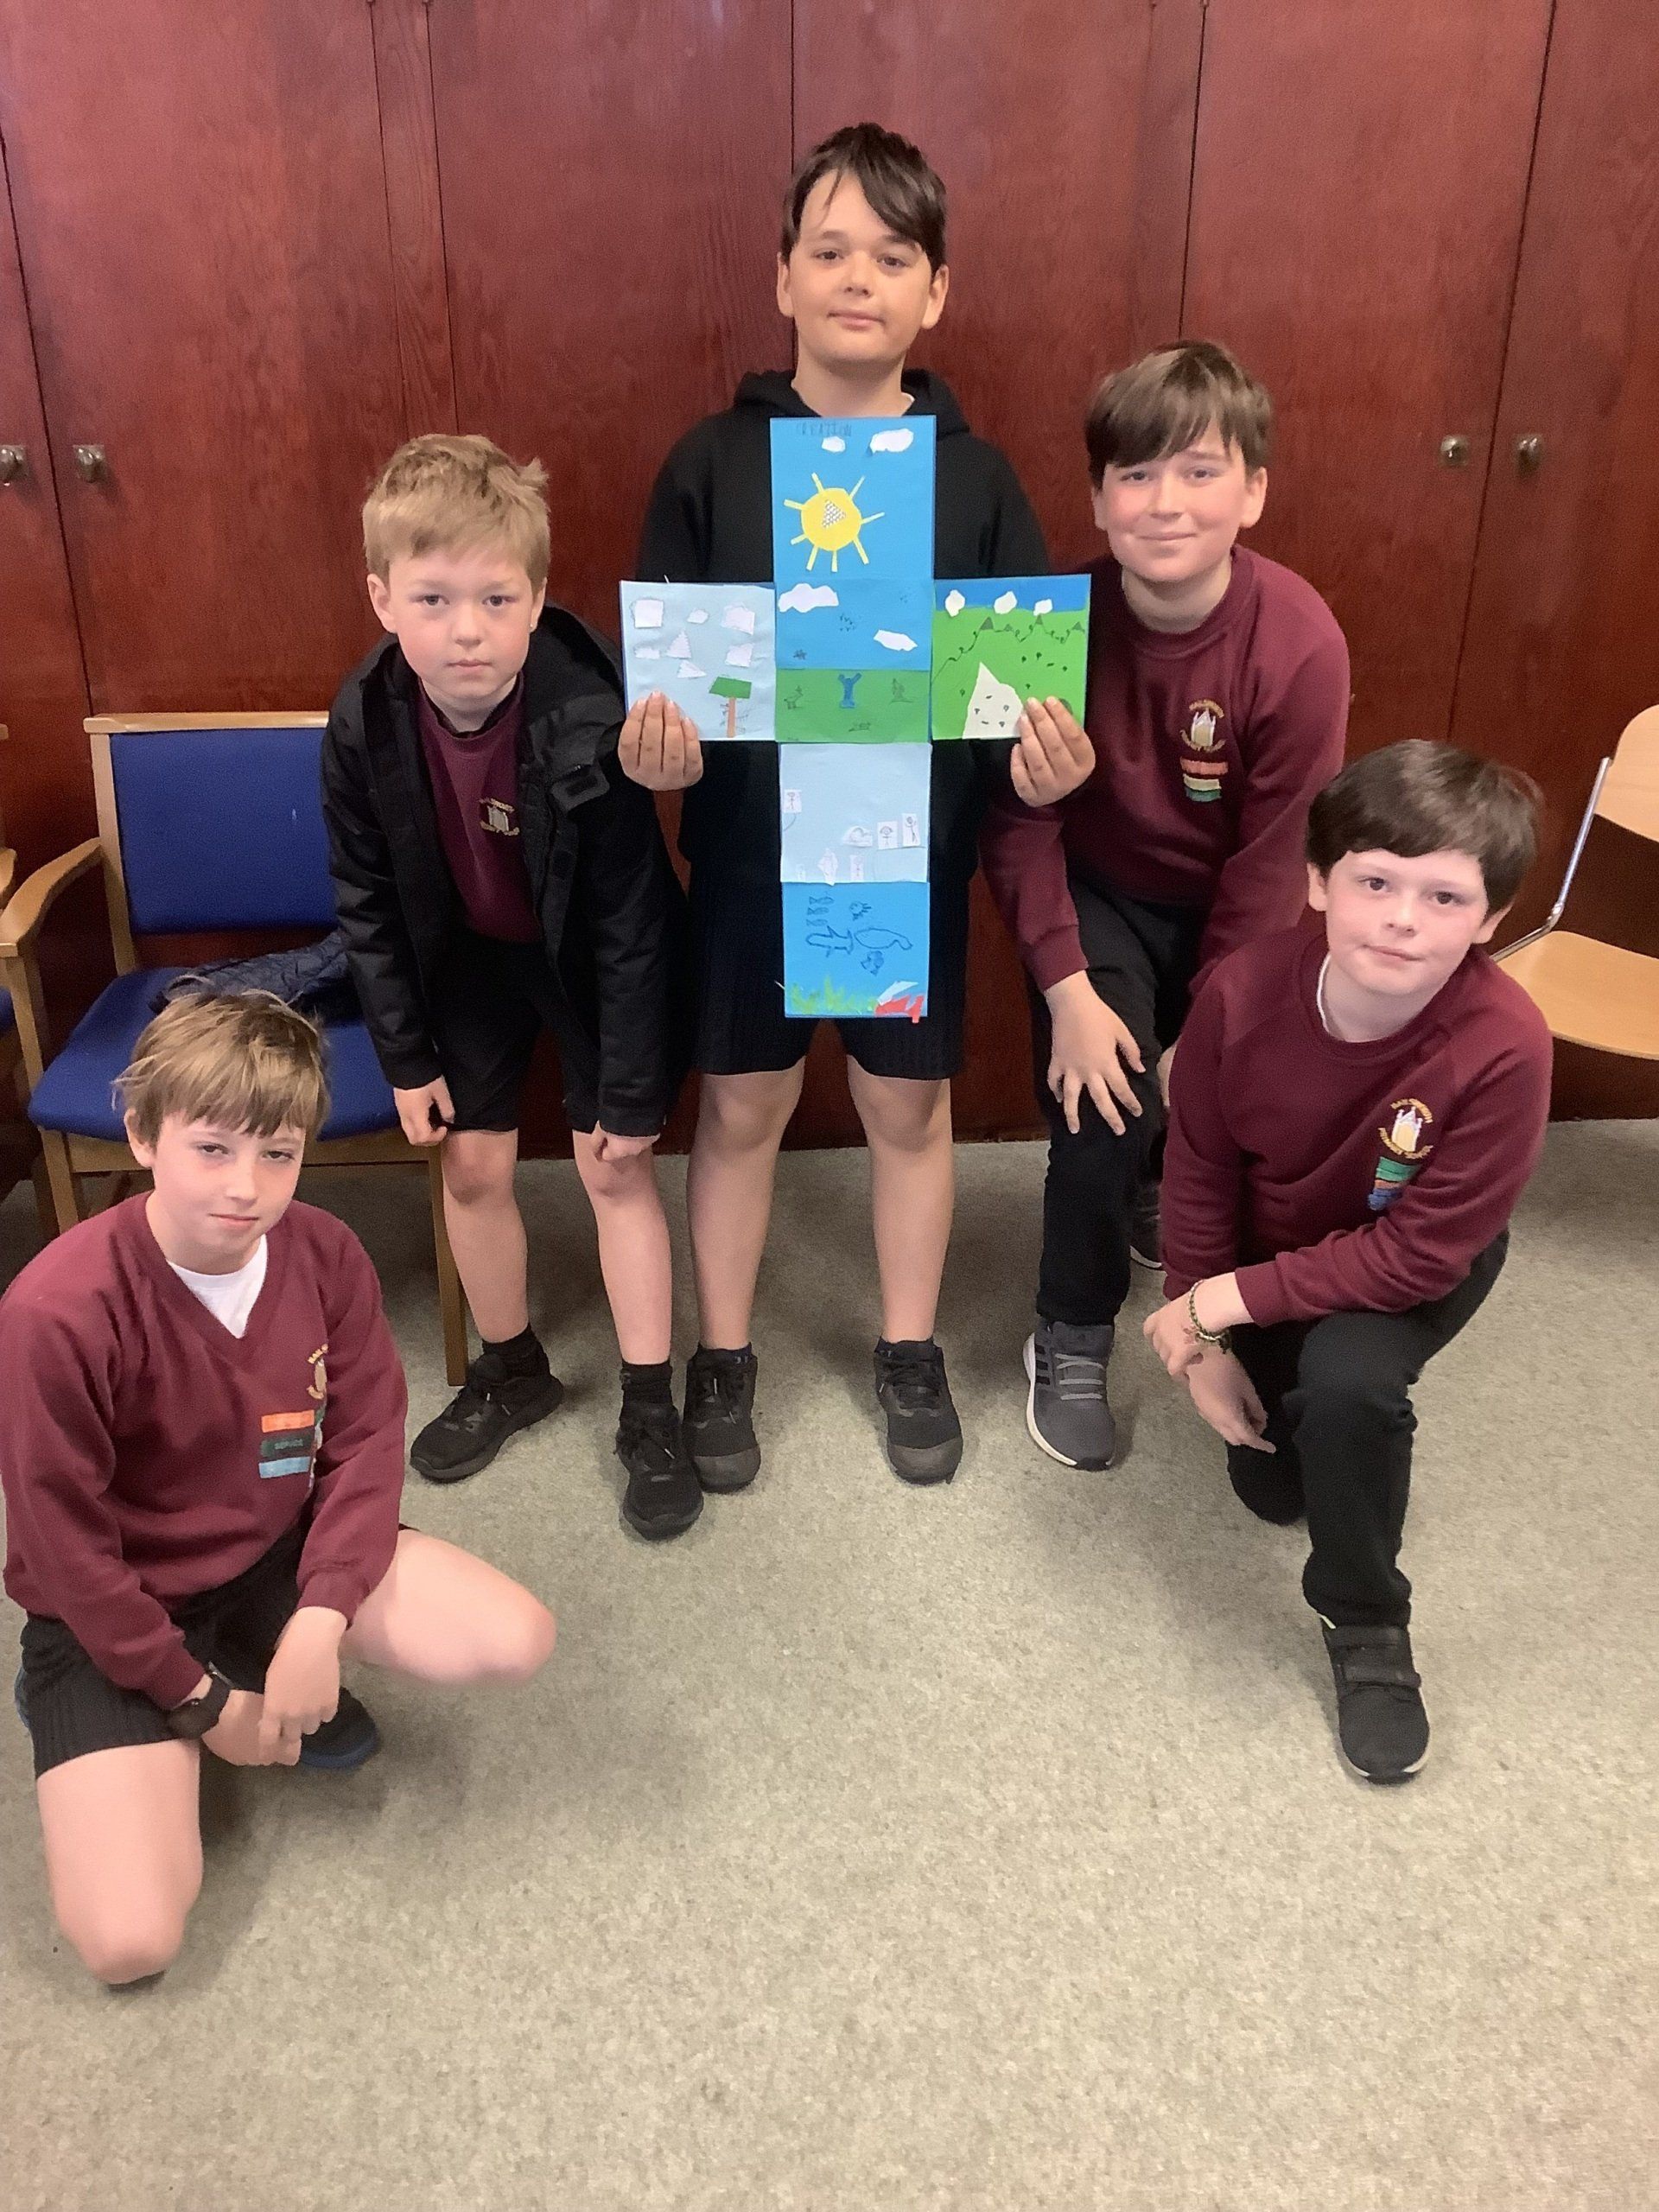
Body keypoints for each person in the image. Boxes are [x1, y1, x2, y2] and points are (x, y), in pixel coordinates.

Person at [626, 120, 1089, 1492]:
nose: (857, 280)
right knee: (740, 1109)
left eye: (892, 257)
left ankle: (907, 1347)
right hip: (751, 862)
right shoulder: (711, 464)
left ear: (935, 291)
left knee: (907, 1110)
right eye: (828, 252)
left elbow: (1009, 709)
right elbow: (673, 693)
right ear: (782, 277)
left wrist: (1039, 764)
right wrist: (662, 761)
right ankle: (723, 1355)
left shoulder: (975, 478)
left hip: (905, 861)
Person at [2, 994, 556, 1983]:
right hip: (111, 1604)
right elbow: (64, 1548)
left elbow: (366, 1442)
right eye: (212, 1148)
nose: (246, 1187)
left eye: (278, 1152)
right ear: (143, 1134)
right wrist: (203, 1704)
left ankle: (260, 1642)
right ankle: (152, 1692)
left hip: (268, 1550)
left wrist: (319, 1617)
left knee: (515, 1637)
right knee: (129, 1942)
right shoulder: (54, 1310)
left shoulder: (325, 1252)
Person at [1141, 743, 1552, 1781]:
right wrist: (1201, 1338)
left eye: (1445, 896)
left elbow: (1417, 1254)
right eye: (1375, 881)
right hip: (1275, 1239)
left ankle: (1366, 1624)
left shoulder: (1508, 1044)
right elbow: (1200, 1165)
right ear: (1319, 883)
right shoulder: (1240, 991)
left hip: (1414, 1259)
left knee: (1349, 1385)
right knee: (1275, 1486)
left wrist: (1218, 1304)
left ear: (1491, 918)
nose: (1403, 918)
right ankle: (1286, 1390)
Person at [980, 340, 1350, 1471]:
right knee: (1104, 1100)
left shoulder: (1301, 643)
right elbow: (1015, 822)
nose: (1165, 502)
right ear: (1098, 499)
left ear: (1254, 491)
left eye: (1199, 470)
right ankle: (1072, 1329)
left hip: (1239, 910)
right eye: (1135, 475)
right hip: (1095, 893)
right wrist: (1065, 988)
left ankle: (1156, 1188)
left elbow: (1273, 865)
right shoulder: (1036, 625)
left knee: (1205, 1099)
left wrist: (1215, 1026)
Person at [323, 434, 698, 1538]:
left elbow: (633, 921)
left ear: (536, 600)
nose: (467, 630)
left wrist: (631, 1090)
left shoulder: (592, 714)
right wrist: (406, 1058)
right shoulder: (362, 719)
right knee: (474, 1162)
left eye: (495, 598)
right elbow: (365, 899)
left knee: (613, 1165)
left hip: (587, 953)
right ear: (383, 600)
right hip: (468, 952)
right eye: (433, 599)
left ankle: (649, 1405)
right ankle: (514, 1367)